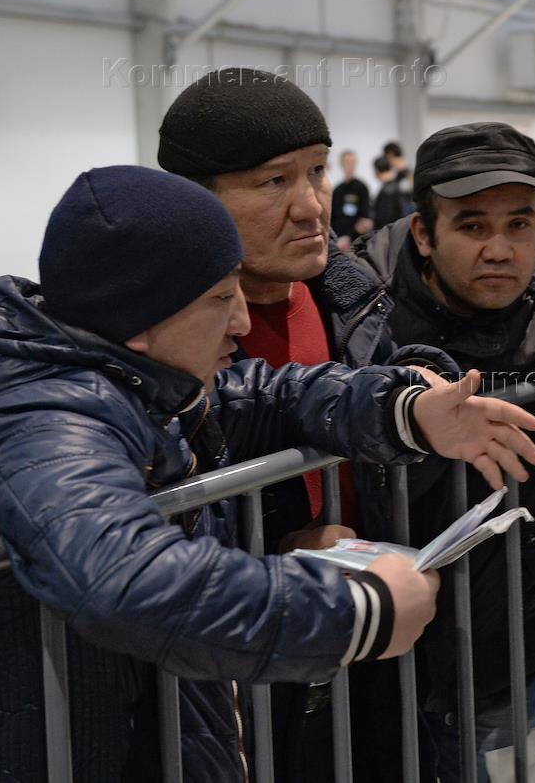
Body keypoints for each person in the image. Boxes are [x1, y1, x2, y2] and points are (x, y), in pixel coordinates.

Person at [0, 166, 535, 780]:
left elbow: (263, 395)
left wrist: (403, 408)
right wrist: (354, 611)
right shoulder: (50, 420)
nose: (243, 323)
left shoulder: (131, 376)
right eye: (221, 299)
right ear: (140, 319)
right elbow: (121, 575)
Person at [158, 68, 467, 780]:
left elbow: (369, 386)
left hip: (377, 649)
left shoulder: (346, 291)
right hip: (248, 677)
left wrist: (416, 379)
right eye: (273, 183)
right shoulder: (162, 337)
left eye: (318, 173)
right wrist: (272, 553)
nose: (311, 207)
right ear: (191, 201)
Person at [352, 122, 535, 782]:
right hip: (359, 643)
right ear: (424, 233)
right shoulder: (355, 302)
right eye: (472, 227)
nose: (500, 249)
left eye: (520, 225)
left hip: (501, 638)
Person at [331, 149, 374, 249]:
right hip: (338, 241)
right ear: (341, 164)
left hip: (355, 241)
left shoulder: (362, 187)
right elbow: (333, 218)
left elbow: (365, 219)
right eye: (347, 162)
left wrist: (349, 237)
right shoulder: (337, 190)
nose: (350, 165)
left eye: (353, 162)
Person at [374, 140, 415, 229]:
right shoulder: (395, 178)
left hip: (407, 228)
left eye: (386, 158)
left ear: (390, 156)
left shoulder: (410, 177)